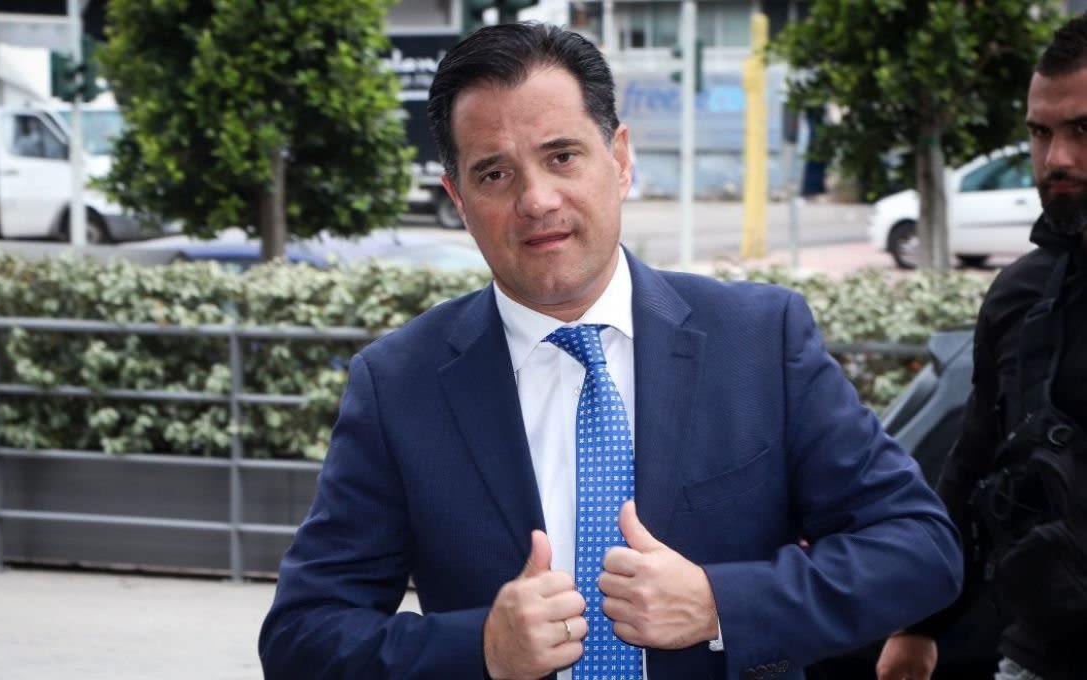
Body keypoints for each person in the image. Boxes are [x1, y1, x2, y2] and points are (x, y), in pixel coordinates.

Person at [260, 22, 961, 680]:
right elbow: (302, 635)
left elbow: (919, 548)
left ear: (620, 160)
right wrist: (480, 648)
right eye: (495, 174)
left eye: (561, 156)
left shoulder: (759, 338)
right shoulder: (398, 384)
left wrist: (720, 604)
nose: (537, 199)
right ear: (459, 199)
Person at [876, 14, 1087, 680]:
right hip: (1044, 654)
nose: (1057, 159)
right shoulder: (1024, 293)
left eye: (1083, 131)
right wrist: (920, 624)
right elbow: (972, 464)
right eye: (1041, 132)